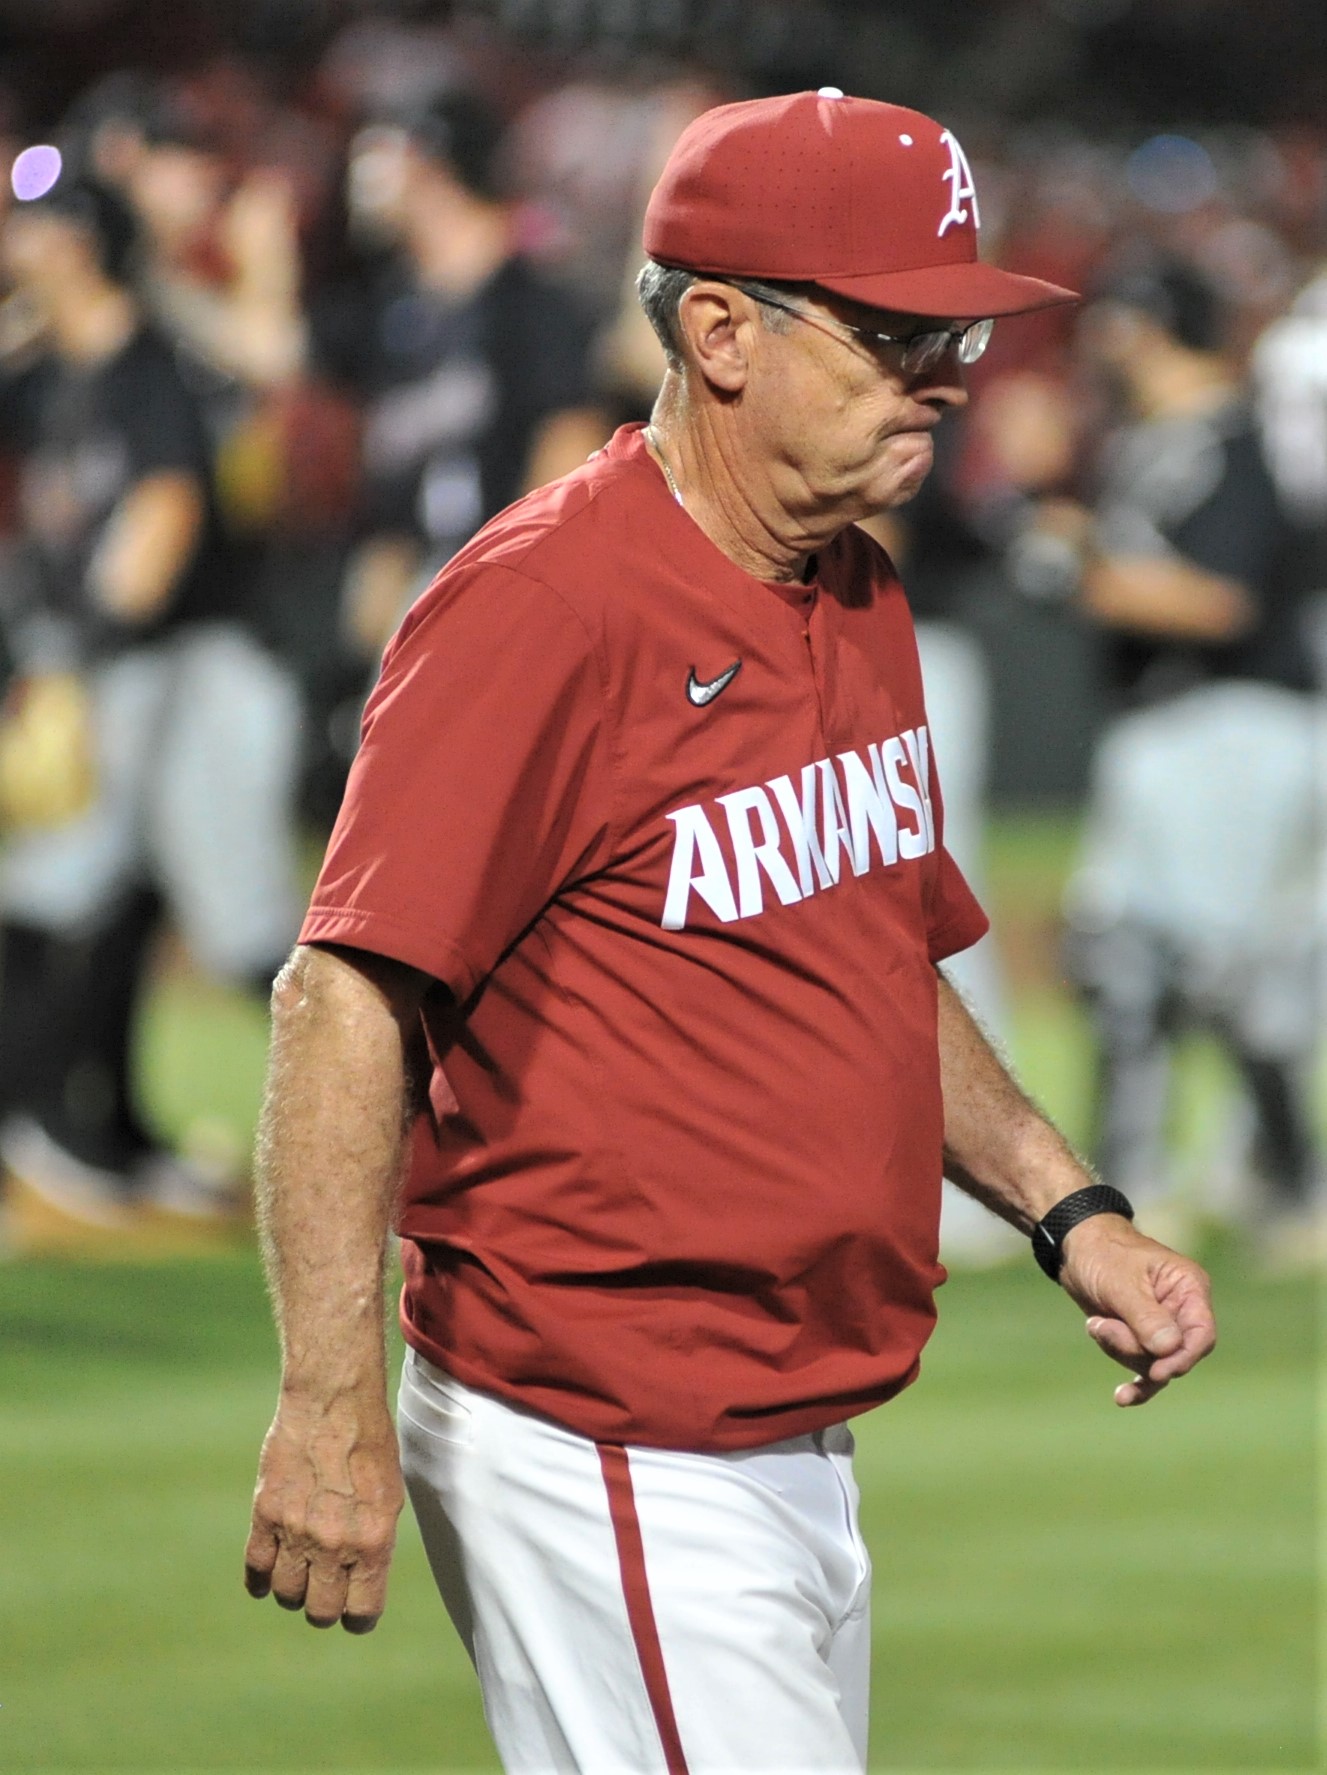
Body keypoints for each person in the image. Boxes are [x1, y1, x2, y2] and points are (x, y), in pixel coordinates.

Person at [244, 93, 1217, 1774]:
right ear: (718, 333)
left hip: (791, 1424)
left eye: (959, 331)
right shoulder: (547, 605)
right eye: (900, 333)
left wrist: (1071, 1211)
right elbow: (341, 997)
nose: (952, 373)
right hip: (607, 1425)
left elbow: (868, 962)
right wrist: (326, 1402)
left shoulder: (855, 585)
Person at [0, 170, 303, 1231]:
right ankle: (83, 1132)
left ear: (80, 240)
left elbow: (164, 522)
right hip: (105, 663)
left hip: (170, 663)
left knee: (171, 914)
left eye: (34, 220)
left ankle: (54, 1128)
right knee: (102, 895)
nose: (15, 234)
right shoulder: (49, 370)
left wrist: (69, 661)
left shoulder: (147, 369)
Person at [1050, 258, 1323, 1259]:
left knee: (1224, 972)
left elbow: (1220, 601)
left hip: (1234, 723)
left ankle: (1291, 1184)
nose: (1100, 346)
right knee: (1120, 960)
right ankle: (1133, 1187)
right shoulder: (1152, 444)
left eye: (1118, 324)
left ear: (1156, 326)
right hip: (1163, 723)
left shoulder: (1235, 444)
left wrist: (1078, 564)